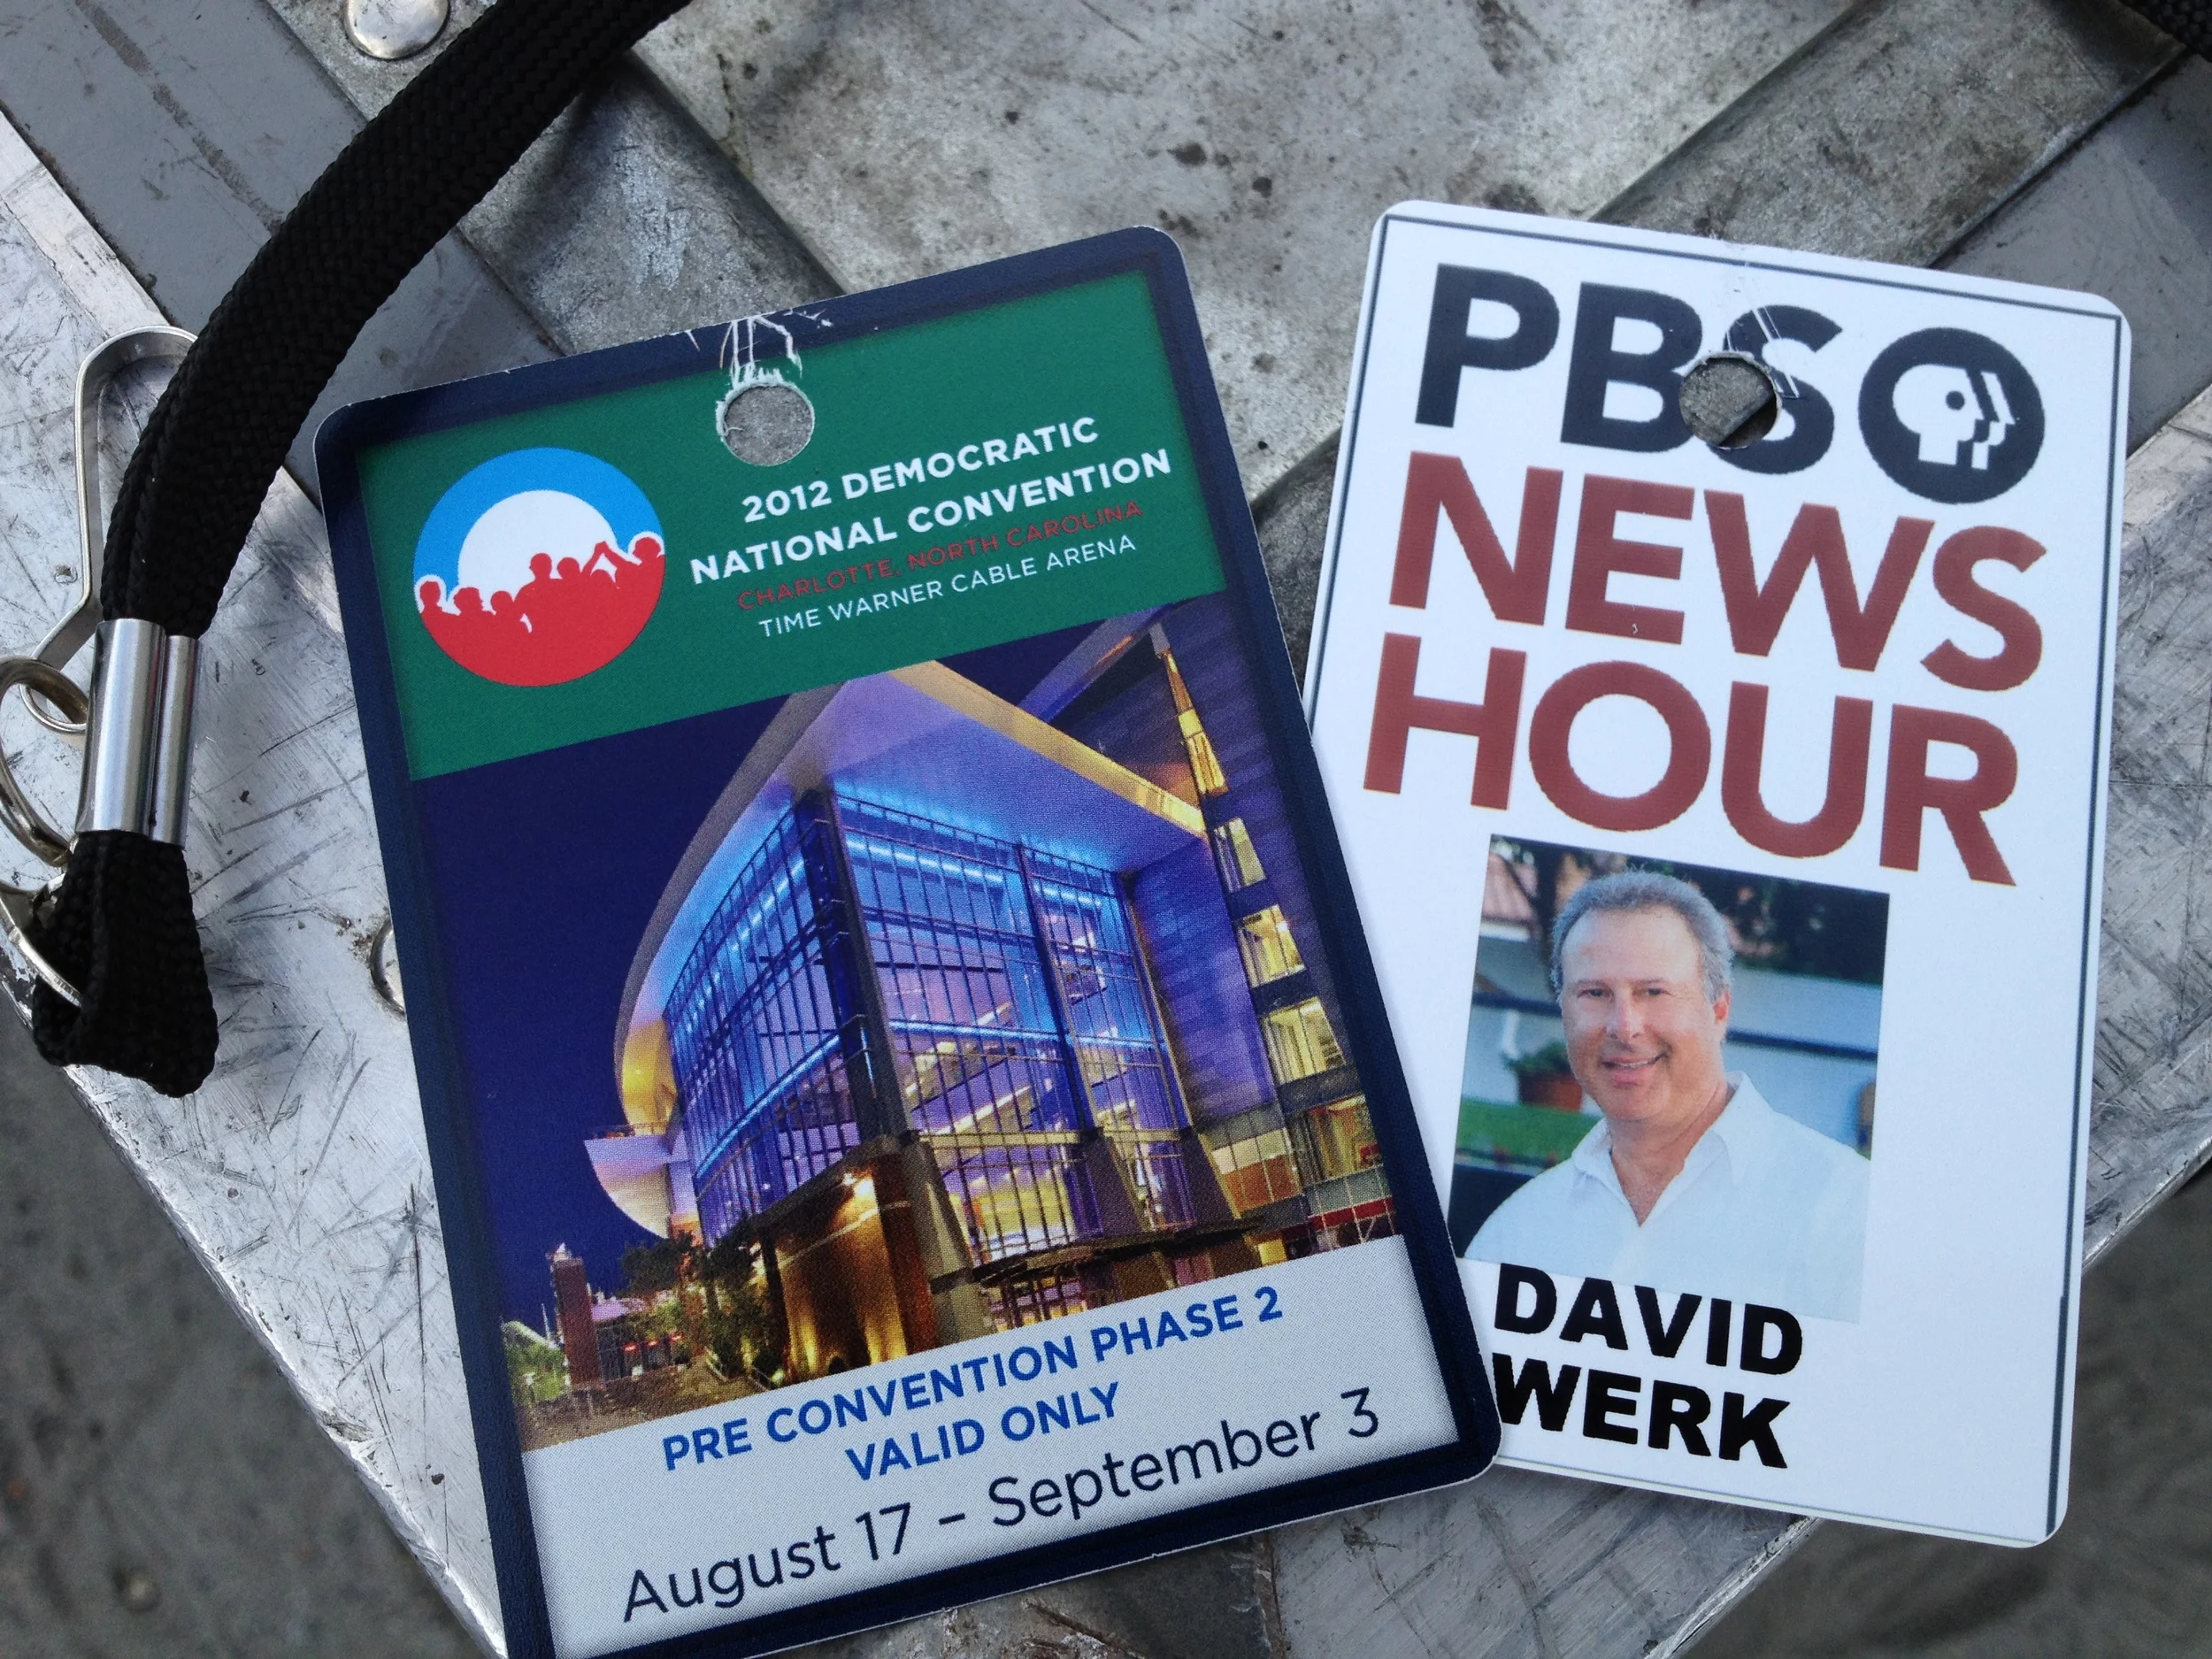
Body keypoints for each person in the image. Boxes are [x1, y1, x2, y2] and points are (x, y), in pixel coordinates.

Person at [1470, 871, 1869, 1321]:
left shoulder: (1846, 1211)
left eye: (1653, 991)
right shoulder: (1515, 1235)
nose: (1625, 1027)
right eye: (1595, 993)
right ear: (1563, 1014)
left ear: (1718, 1012)